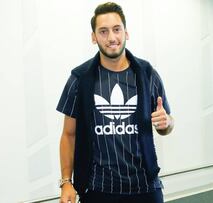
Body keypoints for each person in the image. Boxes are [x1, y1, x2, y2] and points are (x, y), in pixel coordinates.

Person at [56, 2, 174, 203]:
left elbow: (167, 124)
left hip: (145, 186)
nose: (111, 38)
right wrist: (66, 181)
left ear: (126, 33)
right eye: (103, 31)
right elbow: (69, 135)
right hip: (97, 189)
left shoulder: (148, 74)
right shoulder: (79, 79)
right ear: (94, 37)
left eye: (116, 30)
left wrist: (166, 123)